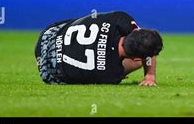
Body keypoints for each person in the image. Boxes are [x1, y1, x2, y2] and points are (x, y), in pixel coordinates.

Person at [35, 11, 163, 85]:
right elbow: (144, 57)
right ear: (136, 58)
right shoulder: (112, 75)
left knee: (90, 20)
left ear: (134, 31)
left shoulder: (120, 18)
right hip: (49, 72)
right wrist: (149, 76)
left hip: (47, 36)